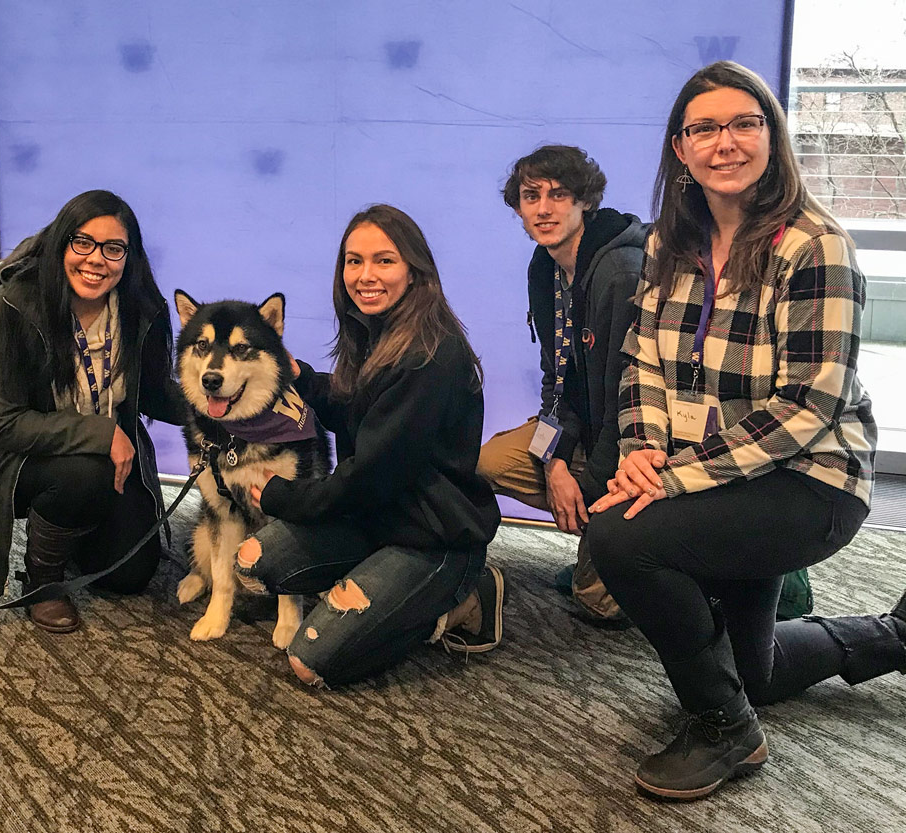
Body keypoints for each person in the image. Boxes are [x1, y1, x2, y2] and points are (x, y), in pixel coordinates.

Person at [584, 61, 904, 801]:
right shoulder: (670, 241)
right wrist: (641, 449)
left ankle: (727, 729)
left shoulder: (814, 245)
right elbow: (642, 362)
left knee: (622, 537)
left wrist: (666, 479)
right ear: (679, 148)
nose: (725, 142)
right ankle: (894, 634)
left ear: (771, 134)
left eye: (744, 123)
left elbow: (807, 407)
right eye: (705, 128)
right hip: (717, 470)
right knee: (753, 672)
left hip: (810, 481)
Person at [238, 204, 505, 688]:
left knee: (312, 662)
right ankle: (380, 583)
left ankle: (461, 597)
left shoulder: (429, 355)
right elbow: (360, 415)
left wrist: (283, 498)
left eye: (384, 261)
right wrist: (301, 379)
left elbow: (371, 475)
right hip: (378, 517)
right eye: (353, 261)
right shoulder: (373, 332)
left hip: (432, 536)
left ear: (415, 270)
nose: (365, 275)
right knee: (252, 564)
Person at [0, 190, 183, 633]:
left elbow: (154, 393)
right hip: (19, 459)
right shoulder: (10, 306)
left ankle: (72, 526)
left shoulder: (142, 309)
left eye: (113, 248)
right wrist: (102, 435)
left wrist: (221, 408)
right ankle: (43, 579)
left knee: (130, 575)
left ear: (128, 257)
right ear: (62, 242)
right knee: (83, 474)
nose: (96, 260)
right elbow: (5, 424)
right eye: (83, 242)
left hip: (105, 458)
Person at [477, 145, 645, 624]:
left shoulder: (620, 271)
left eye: (559, 195)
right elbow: (558, 377)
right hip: (583, 434)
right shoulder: (544, 265)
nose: (544, 209)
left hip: (635, 446)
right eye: (531, 197)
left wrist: (586, 486)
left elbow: (625, 403)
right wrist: (554, 464)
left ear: (585, 201)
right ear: (518, 208)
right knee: (487, 463)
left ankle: (693, 572)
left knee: (599, 606)